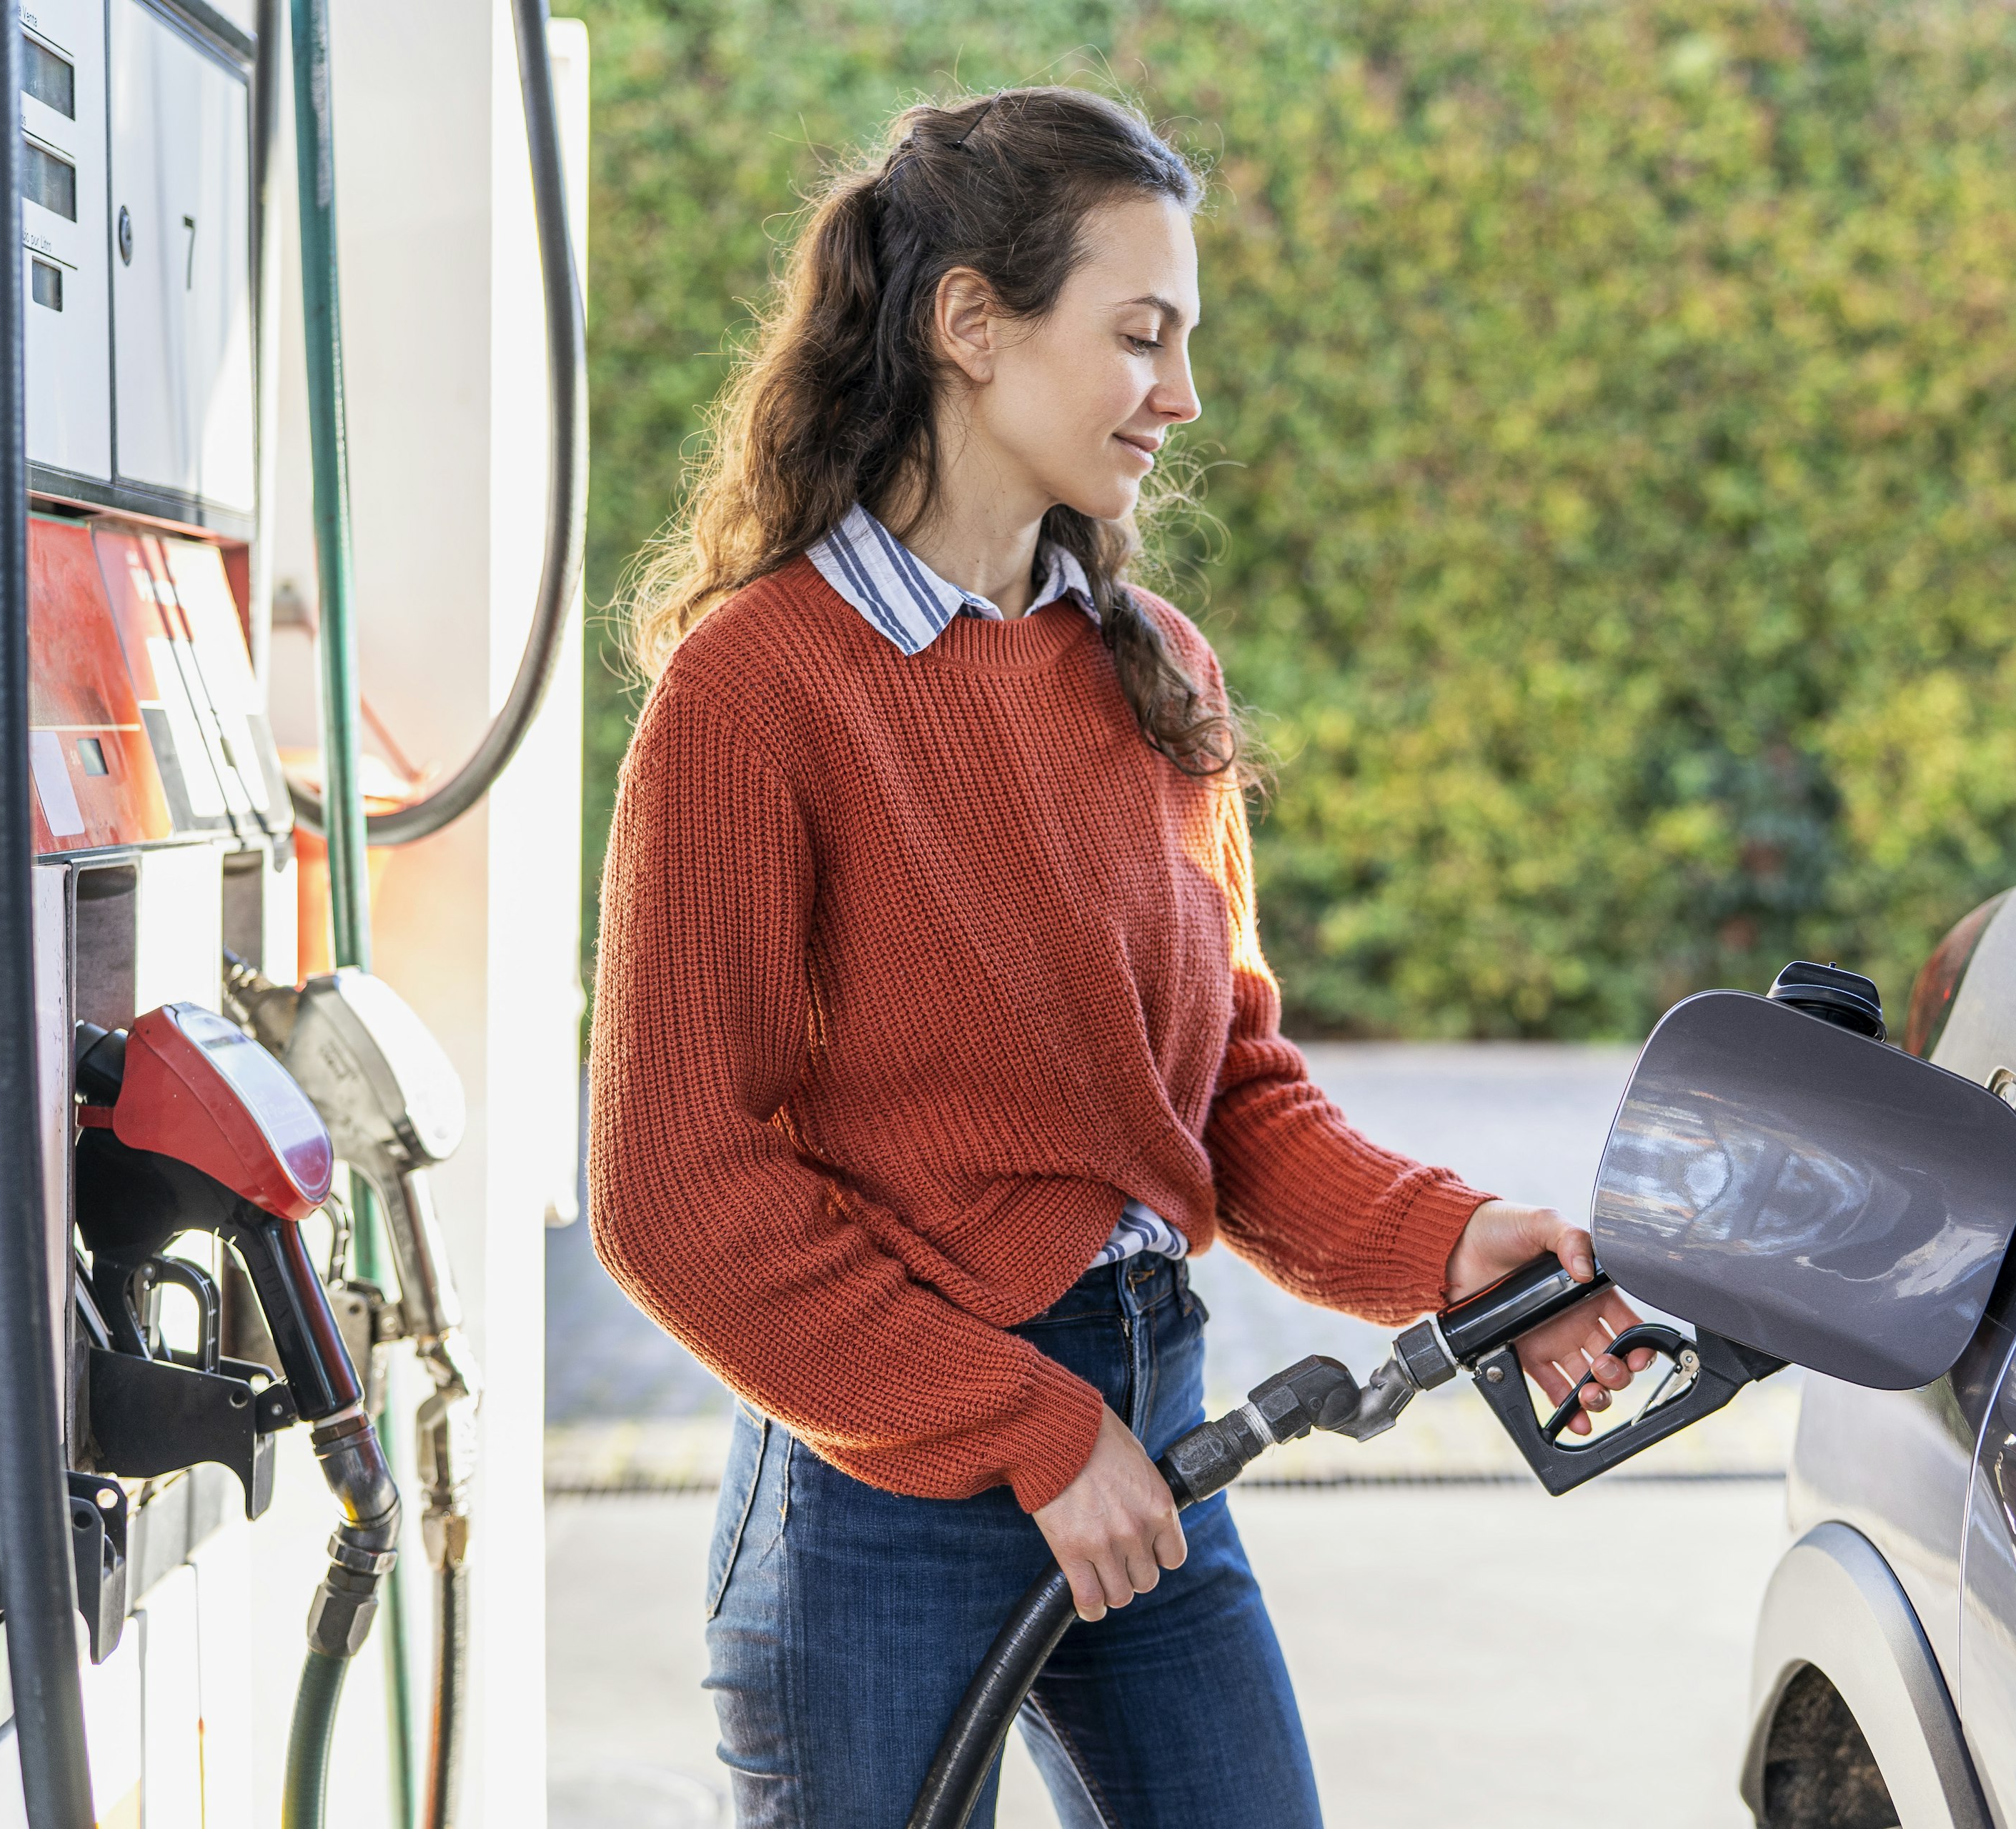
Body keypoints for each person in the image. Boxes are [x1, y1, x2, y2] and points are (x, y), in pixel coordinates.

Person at [590, 85, 1648, 1829]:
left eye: (1188, 340)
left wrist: (1455, 1245)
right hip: (884, 1493)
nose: (1184, 393)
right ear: (969, 328)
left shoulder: (1154, 667)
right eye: (1140, 335)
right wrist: (1021, 1419)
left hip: (1152, 1431)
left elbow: (1225, 1095)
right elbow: (675, 1189)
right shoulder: (757, 693)